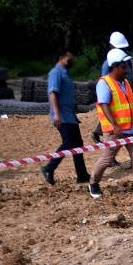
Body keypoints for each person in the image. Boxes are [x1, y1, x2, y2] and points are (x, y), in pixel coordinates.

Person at [89, 49, 133, 200]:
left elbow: (129, 105)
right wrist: (115, 125)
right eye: (123, 67)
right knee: (107, 158)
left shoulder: (126, 82)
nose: (126, 70)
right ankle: (93, 182)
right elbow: (104, 105)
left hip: (131, 128)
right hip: (115, 130)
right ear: (114, 67)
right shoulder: (104, 83)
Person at [41, 49, 90, 186]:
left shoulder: (65, 74)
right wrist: (56, 114)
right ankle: (49, 168)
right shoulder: (56, 73)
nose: (71, 61)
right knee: (68, 143)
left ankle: (82, 175)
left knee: (78, 144)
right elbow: (52, 93)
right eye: (69, 58)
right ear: (61, 58)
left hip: (70, 116)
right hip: (62, 115)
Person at [93, 32, 132, 144]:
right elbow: (106, 84)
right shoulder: (108, 64)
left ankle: (98, 131)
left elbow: (129, 81)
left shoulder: (125, 60)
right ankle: (98, 131)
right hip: (115, 103)